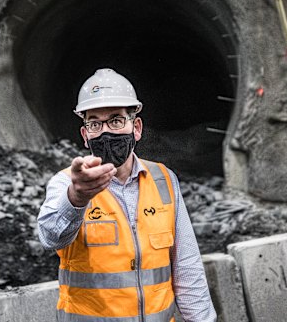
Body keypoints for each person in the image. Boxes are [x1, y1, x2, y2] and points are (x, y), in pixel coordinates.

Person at [38, 68, 217, 322]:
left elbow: (186, 266)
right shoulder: (66, 183)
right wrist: (76, 198)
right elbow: (49, 238)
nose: (106, 131)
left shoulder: (164, 180)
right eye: (95, 123)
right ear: (85, 135)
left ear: (136, 127)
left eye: (116, 120)